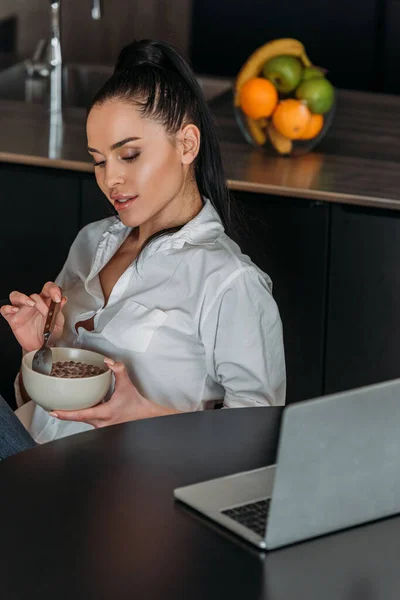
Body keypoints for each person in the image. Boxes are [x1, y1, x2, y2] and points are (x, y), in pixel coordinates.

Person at [0, 39, 286, 460]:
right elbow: (42, 409)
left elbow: (259, 444)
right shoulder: (91, 242)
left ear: (187, 145)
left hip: (132, 491)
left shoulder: (230, 283)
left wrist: (143, 415)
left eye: (129, 155)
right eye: (99, 161)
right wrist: (39, 347)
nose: (110, 179)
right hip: (37, 466)